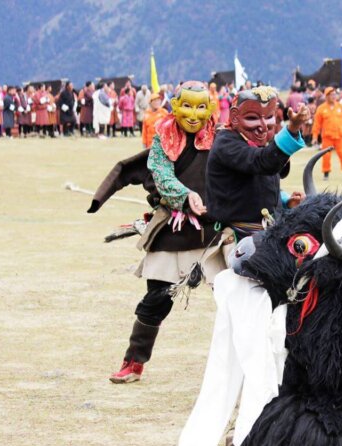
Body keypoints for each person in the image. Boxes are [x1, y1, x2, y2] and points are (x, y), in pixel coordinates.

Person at [89, 82, 218, 383]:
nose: (194, 114)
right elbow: (161, 176)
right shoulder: (164, 139)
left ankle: (250, 366)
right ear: (176, 106)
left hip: (215, 229)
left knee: (235, 297)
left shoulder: (221, 138)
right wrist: (186, 197)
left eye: (201, 107)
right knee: (156, 300)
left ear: (210, 108)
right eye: (188, 106)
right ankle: (133, 363)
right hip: (172, 227)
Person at [206, 85, 309, 241]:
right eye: (252, 118)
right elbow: (262, 162)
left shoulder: (256, 142)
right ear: (234, 117)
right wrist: (292, 129)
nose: (262, 126)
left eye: (268, 117)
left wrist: (286, 202)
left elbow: (258, 184)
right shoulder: (226, 143)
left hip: (269, 231)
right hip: (238, 236)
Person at [312, 86, 342, 181]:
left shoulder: (340, 107)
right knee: (326, 156)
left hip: (340, 136)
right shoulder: (321, 109)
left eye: (334, 94)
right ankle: (326, 174)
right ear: (326, 96)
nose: (334, 96)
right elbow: (317, 124)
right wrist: (315, 136)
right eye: (331, 95)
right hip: (327, 137)